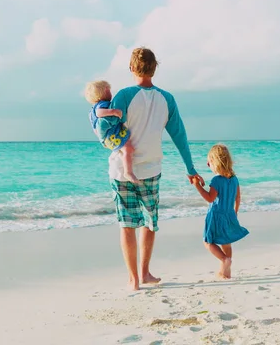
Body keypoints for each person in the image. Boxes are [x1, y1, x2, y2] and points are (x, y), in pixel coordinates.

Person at [109, 47, 203, 290]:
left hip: (121, 168)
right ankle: (145, 272)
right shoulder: (167, 99)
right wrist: (190, 168)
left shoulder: (123, 95)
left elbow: (107, 128)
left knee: (127, 223)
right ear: (155, 68)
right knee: (149, 222)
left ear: (131, 68)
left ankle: (133, 280)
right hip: (151, 169)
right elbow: (179, 135)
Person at [192, 144, 249, 279]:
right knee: (226, 242)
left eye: (209, 162)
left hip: (216, 215)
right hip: (229, 213)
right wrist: (235, 212)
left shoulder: (216, 180)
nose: (207, 164)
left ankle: (224, 260)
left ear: (216, 162)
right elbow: (238, 197)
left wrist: (197, 186)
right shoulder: (234, 179)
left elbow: (210, 198)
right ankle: (226, 272)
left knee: (208, 242)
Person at [85, 80, 139, 183]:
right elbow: (99, 113)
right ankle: (128, 172)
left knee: (125, 150)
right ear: (104, 91)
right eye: (109, 90)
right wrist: (113, 111)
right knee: (128, 149)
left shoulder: (92, 109)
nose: (111, 93)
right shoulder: (101, 105)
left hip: (106, 138)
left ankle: (126, 166)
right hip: (110, 136)